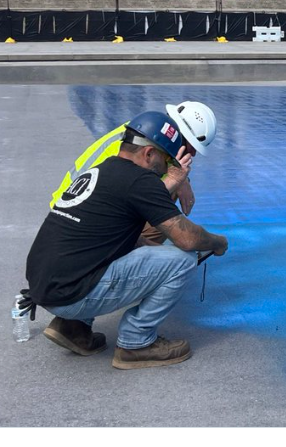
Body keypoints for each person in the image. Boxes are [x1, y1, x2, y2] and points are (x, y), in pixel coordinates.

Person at [24, 111, 229, 369]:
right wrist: (217, 242)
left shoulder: (104, 169)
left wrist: (176, 181)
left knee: (127, 246)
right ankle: (137, 343)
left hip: (47, 286)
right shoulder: (139, 180)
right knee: (183, 259)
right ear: (149, 154)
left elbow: (122, 239)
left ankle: (74, 327)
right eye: (167, 158)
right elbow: (187, 239)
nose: (168, 167)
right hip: (70, 294)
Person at [49, 100, 218, 221]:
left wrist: (183, 180)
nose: (193, 154)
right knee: (165, 193)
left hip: (71, 207)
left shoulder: (143, 132)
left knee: (171, 184)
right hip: (75, 213)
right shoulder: (138, 151)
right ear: (177, 134)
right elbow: (146, 197)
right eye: (191, 146)